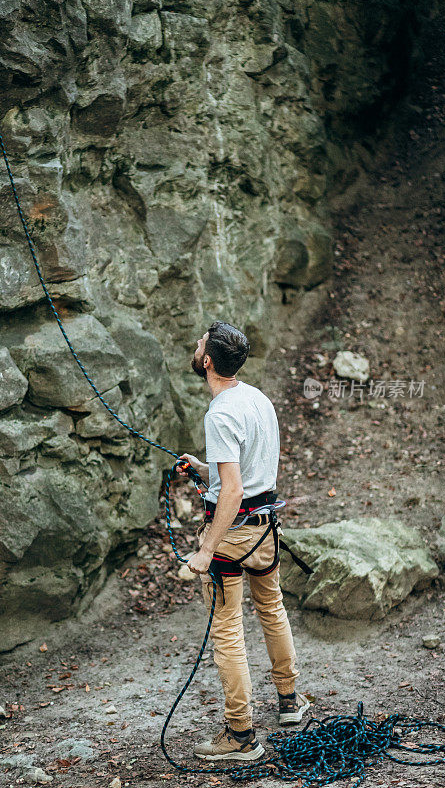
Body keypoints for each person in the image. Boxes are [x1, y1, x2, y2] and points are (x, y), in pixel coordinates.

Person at [176, 321, 309, 762]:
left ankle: (241, 736)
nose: (195, 349)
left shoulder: (220, 412)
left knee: (228, 628)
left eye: (199, 345)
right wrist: (202, 467)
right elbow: (244, 474)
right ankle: (289, 702)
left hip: (232, 535)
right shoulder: (256, 399)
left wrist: (206, 549)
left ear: (208, 361)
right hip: (265, 528)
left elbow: (232, 492)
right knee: (272, 608)